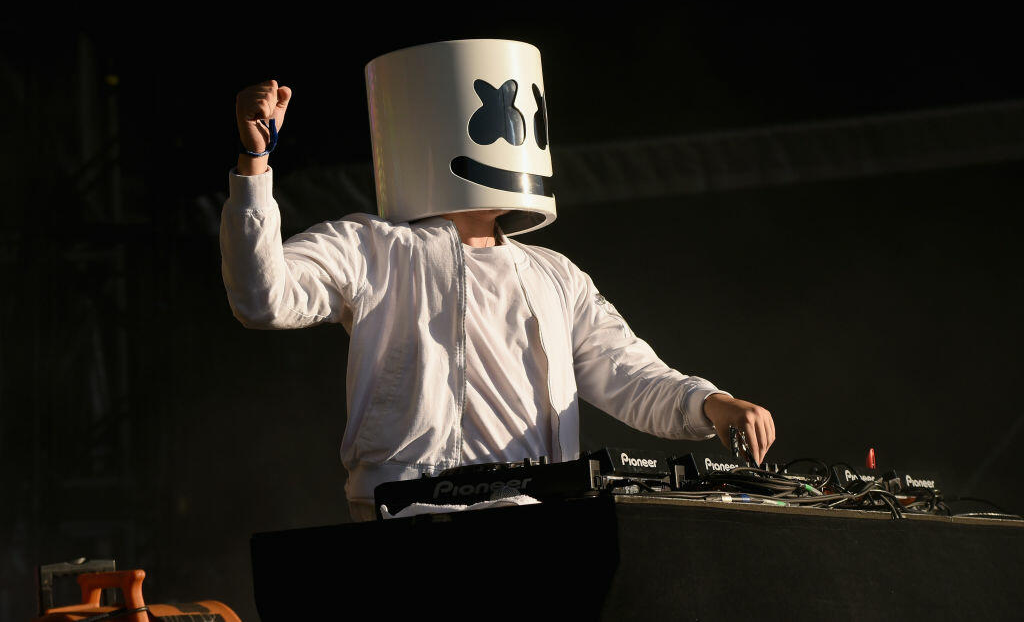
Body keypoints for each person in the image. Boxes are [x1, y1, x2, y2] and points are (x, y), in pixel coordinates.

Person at [220, 40, 776, 522]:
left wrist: (713, 404)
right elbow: (263, 296)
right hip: (416, 513)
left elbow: (628, 373)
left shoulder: (554, 275)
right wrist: (255, 164)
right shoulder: (374, 249)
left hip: (539, 520)